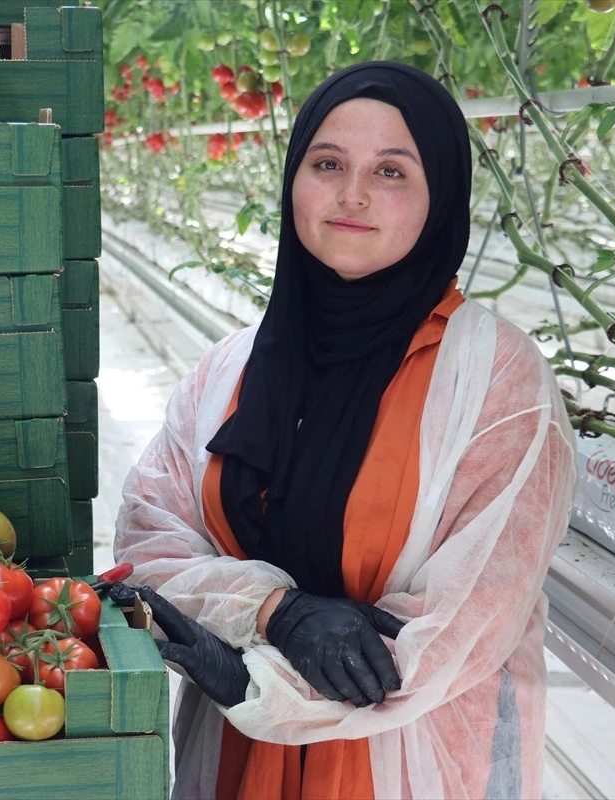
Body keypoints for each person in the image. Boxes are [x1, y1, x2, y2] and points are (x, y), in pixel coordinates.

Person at [111, 61, 578, 800]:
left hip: (413, 765)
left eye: (392, 171)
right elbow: (147, 546)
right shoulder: (230, 370)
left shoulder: (499, 381)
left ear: (441, 197)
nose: (353, 194)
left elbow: (468, 624)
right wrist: (276, 611)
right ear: (294, 178)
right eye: (328, 164)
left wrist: (259, 678)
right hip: (236, 757)